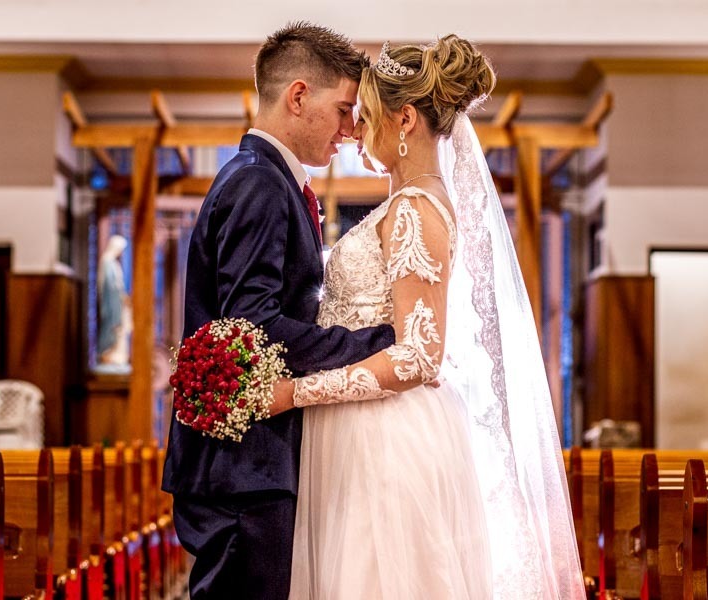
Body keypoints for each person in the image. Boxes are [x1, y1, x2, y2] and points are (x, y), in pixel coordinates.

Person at [270, 36, 585, 598]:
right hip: (362, 424)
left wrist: (296, 392)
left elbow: (418, 356)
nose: (356, 131)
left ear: (405, 119)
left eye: (366, 117)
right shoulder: (410, 202)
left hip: (384, 433)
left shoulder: (415, 208)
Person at [160, 23, 395, 600]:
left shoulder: (262, 178)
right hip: (245, 463)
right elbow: (255, 327)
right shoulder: (259, 184)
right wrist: (379, 342)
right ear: (297, 96)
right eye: (343, 109)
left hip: (251, 457)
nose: (350, 128)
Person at [97, 234, 132, 368]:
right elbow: (110, 286)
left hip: (117, 300)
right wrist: (119, 297)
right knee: (112, 325)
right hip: (112, 301)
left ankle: (116, 354)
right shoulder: (107, 261)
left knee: (119, 327)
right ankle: (107, 352)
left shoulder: (112, 262)